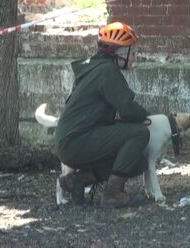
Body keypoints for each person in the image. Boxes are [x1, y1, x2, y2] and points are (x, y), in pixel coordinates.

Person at [54, 21, 150, 208]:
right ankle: (113, 193)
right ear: (120, 54)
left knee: (138, 162)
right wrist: (145, 115)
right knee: (139, 133)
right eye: (132, 52)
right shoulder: (107, 72)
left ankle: (76, 181)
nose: (134, 57)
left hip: (69, 141)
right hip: (77, 140)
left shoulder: (94, 68)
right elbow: (127, 108)